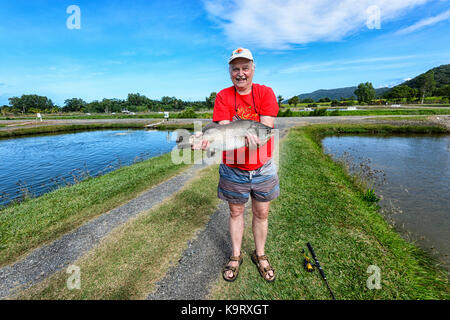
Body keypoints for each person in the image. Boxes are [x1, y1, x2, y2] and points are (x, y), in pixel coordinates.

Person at [193, 48, 279, 282]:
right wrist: (206, 142)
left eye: (245, 68)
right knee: (235, 211)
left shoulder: (266, 93)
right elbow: (224, 133)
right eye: (235, 68)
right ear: (229, 71)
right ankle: (236, 255)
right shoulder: (223, 96)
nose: (240, 73)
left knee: (262, 213)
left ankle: (260, 255)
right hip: (233, 169)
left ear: (253, 69)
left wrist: (255, 142)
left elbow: (266, 128)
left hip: (263, 168)